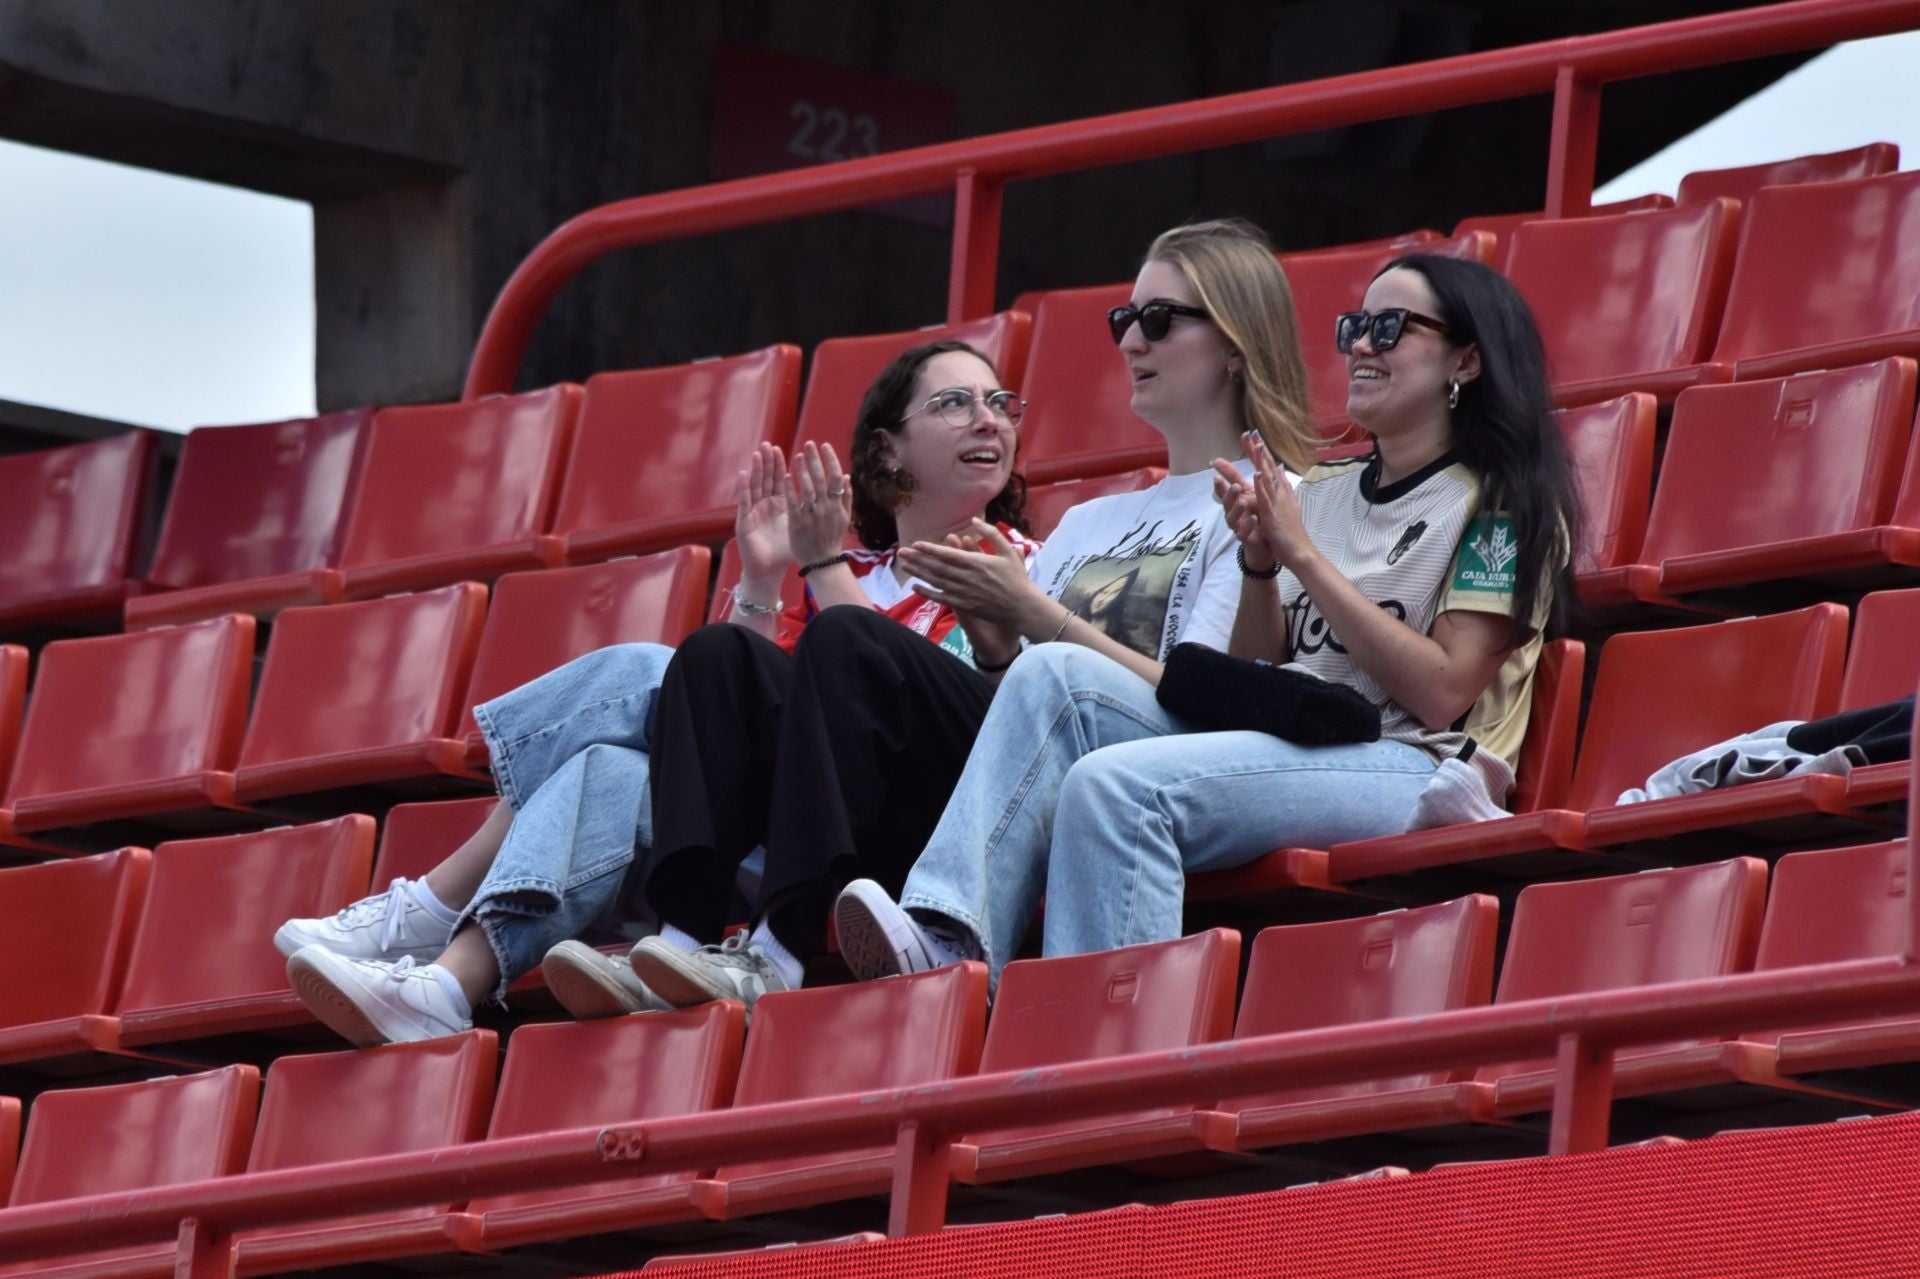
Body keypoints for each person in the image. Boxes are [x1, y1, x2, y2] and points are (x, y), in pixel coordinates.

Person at [616, 216, 1320, 1011]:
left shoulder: (1275, 505)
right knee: (718, 655)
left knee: (846, 637)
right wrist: (994, 642)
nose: (1131, 341)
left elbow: (1203, 706)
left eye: (1158, 320)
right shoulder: (1089, 521)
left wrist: (1032, 614)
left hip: (1124, 770)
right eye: (1125, 319)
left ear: (1234, 344)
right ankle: (681, 940)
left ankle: (777, 949)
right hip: (1008, 765)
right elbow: (1016, 692)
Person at [833, 252, 1581, 986]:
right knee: (1049, 671)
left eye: (1390, 328)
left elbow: (1443, 691)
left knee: (1116, 785)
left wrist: (1302, 557)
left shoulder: (1503, 506)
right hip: (1299, 738)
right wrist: (1260, 565)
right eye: (1355, 326)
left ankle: (1106, 1044)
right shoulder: (1325, 488)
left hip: (1414, 763)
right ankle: (951, 940)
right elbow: (1259, 669)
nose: (1361, 344)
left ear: (1466, 361)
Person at [279, 339, 1034, 1045]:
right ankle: (454, 985)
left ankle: (430, 905)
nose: (988, 419)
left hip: (924, 830)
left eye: (1000, 403)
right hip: (791, 829)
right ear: (887, 447)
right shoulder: (841, 567)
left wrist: (823, 565)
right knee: (614, 758)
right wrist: (763, 576)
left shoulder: (1034, 566)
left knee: (653, 668)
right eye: (955, 402)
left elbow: (944, 709)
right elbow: (728, 713)